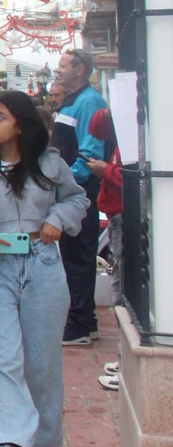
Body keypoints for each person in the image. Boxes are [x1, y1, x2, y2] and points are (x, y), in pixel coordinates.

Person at [0, 91, 89, 447]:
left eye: (0, 116)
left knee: (40, 358)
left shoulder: (49, 162)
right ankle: (6, 444)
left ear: (20, 123)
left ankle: (36, 437)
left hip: (43, 263)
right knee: (2, 355)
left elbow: (77, 198)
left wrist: (57, 218)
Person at [52, 49, 106, 344]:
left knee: (80, 256)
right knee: (72, 255)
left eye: (63, 65)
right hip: (70, 190)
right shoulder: (73, 101)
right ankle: (85, 318)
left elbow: (89, 152)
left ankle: (80, 324)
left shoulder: (90, 102)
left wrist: (66, 183)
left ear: (80, 69)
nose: (57, 70)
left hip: (80, 193)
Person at [86, 109, 123, 307]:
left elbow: (134, 180)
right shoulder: (123, 134)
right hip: (117, 216)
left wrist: (106, 171)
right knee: (119, 273)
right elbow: (96, 130)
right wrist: (109, 111)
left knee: (122, 278)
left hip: (124, 215)